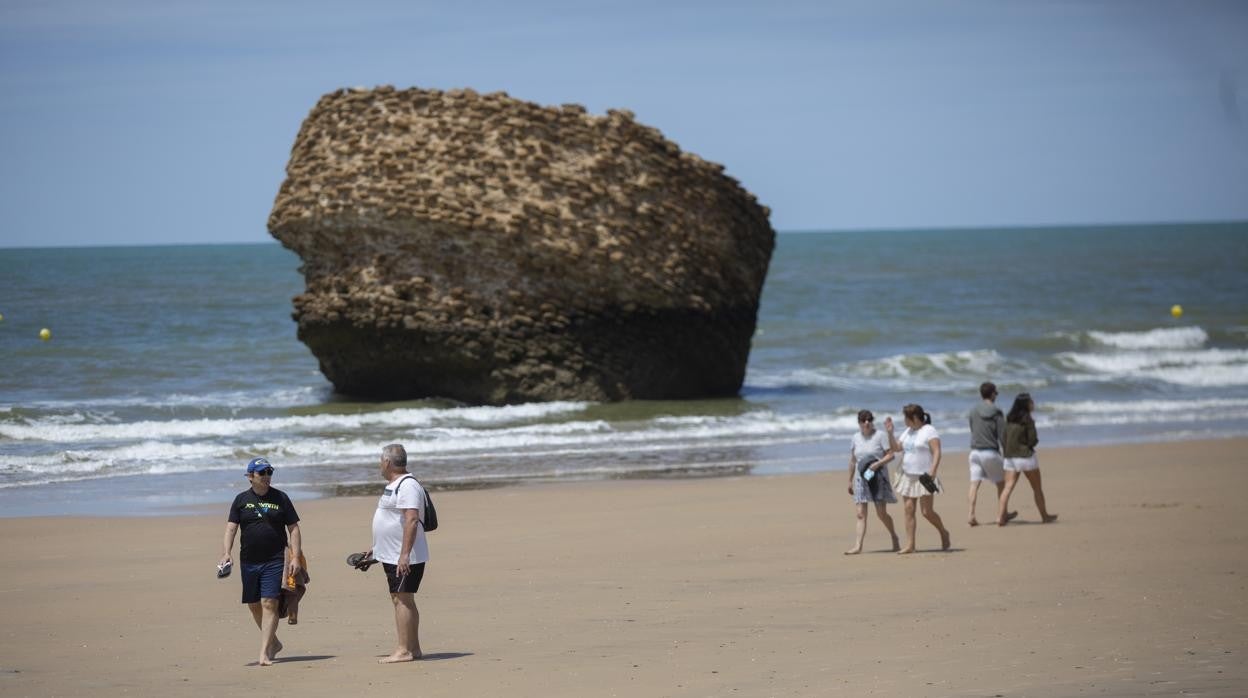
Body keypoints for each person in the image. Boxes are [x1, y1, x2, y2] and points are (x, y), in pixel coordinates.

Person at [219, 457, 303, 666]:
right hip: (249, 560)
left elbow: (293, 528)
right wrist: (226, 553)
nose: (266, 476)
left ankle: (263, 652)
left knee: (269, 602)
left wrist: (295, 556)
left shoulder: (281, 498)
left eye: (269, 472)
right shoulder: (240, 500)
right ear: (250, 477)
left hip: (275, 559)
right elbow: (231, 528)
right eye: (262, 473)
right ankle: (274, 643)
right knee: (253, 604)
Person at [365, 444, 430, 663]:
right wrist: (376, 549)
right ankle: (414, 648)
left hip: (403, 556)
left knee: (402, 600)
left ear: (387, 463)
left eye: (380, 461)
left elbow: (411, 519)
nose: (379, 465)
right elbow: (392, 520)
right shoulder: (395, 485)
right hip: (393, 553)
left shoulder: (407, 485)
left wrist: (404, 555)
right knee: (401, 599)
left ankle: (404, 650)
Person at [885, 404, 951, 554]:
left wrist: (933, 471)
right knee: (909, 509)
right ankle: (910, 545)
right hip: (907, 475)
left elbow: (937, 452)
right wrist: (890, 433)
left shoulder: (929, 430)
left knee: (927, 512)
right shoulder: (908, 431)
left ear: (914, 418)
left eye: (906, 418)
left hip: (925, 477)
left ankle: (943, 532)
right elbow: (896, 448)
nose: (904, 421)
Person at [844, 409, 900, 554]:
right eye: (863, 420)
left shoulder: (880, 436)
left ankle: (894, 536)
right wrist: (849, 481)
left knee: (881, 513)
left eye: (869, 419)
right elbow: (852, 461)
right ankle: (858, 546)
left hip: (878, 476)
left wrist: (877, 464)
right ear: (859, 423)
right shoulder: (855, 437)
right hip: (861, 478)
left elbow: (891, 455)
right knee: (860, 514)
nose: (867, 422)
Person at [997, 393, 1058, 525]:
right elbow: (1032, 440)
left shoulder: (1009, 420)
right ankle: (1045, 516)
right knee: (1037, 488)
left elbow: (1003, 438)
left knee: (1007, 488)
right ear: (1026, 405)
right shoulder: (1028, 421)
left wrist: (1008, 450)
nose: (1033, 404)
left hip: (1010, 458)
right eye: (1031, 402)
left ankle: (1001, 517)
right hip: (1026, 457)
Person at [966, 382, 1016, 526]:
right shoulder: (996, 411)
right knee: (1002, 482)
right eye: (996, 393)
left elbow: (972, 429)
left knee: (974, 484)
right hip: (990, 452)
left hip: (974, 453)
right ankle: (1002, 515)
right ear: (993, 394)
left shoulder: (973, 410)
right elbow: (1002, 435)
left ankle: (971, 515)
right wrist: (1008, 454)